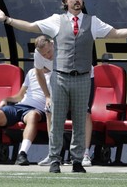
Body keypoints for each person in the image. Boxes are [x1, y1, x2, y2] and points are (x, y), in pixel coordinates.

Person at [0, 0, 127, 173]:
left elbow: (116, 34)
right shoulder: (56, 20)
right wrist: (6, 19)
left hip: (83, 78)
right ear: (65, 2)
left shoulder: (92, 21)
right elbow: (30, 26)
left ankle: (77, 160)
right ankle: (55, 159)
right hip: (60, 77)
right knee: (56, 119)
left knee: (80, 120)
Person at [0, 67, 51, 166]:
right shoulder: (31, 72)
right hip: (20, 106)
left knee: (32, 116)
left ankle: (22, 154)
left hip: (37, 109)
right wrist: (5, 99)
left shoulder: (56, 74)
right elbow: (20, 96)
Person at [33, 35, 93, 167]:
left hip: (82, 76)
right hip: (60, 78)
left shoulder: (66, 47)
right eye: (44, 54)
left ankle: (85, 154)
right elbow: (39, 73)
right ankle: (53, 154)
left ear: (52, 44)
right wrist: (47, 96)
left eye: (49, 52)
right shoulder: (38, 54)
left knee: (84, 113)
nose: (47, 56)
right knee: (50, 111)